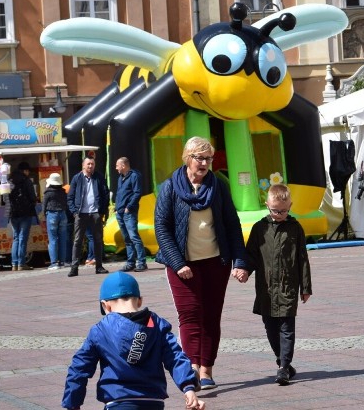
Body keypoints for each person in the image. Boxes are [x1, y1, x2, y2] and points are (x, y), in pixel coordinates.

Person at [153, 136, 250, 390]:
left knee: (210, 317)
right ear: (188, 158)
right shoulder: (170, 187)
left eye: (208, 158)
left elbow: (232, 225)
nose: (205, 163)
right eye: (200, 158)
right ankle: (192, 368)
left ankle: (206, 368)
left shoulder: (218, 186)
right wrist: (177, 262)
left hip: (215, 263)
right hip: (182, 266)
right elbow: (161, 228)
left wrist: (240, 261)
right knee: (189, 316)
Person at [62, 271, 205, 410]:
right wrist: (188, 387)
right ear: (140, 300)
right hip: (153, 401)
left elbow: (79, 368)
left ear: (106, 305)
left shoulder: (100, 330)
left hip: (117, 400)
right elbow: (175, 357)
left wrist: (72, 403)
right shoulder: (157, 325)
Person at [245, 184, 312, 386]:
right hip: (266, 289)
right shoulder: (259, 228)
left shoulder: (295, 228)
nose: (279, 214)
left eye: (283, 211)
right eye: (275, 210)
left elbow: (302, 258)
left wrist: (306, 287)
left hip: (287, 288)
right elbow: (251, 255)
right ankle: (283, 362)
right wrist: (244, 270)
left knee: (286, 328)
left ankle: (283, 367)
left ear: (290, 205)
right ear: (267, 205)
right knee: (270, 328)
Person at [67, 157, 110, 277]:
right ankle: (74, 268)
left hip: (95, 213)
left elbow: (105, 193)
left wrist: (102, 210)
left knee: (97, 240)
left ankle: (99, 266)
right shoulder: (77, 178)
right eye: (88, 164)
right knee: (77, 241)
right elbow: (70, 196)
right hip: (81, 214)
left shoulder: (99, 177)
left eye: (92, 164)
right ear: (83, 165)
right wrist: (74, 212)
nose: (90, 166)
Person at [115, 157, 148, 272]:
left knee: (134, 237)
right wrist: (116, 208)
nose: (116, 168)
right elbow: (120, 193)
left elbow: (137, 192)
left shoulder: (134, 176)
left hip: (129, 212)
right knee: (127, 239)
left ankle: (142, 262)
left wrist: (129, 207)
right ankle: (130, 262)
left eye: (117, 165)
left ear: (123, 165)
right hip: (119, 212)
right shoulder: (121, 178)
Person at [5, 162, 38, 271]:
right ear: (25, 171)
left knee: (16, 238)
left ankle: (14, 264)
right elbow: (33, 197)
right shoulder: (26, 181)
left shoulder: (9, 180)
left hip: (13, 213)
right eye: (28, 171)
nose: (28, 173)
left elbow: (5, 198)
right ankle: (21, 263)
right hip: (25, 212)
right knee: (22, 238)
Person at [43, 172, 69, 270]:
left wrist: (44, 214)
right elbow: (66, 204)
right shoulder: (63, 191)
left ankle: (54, 263)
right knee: (62, 238)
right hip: (62, 214)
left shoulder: (48, 192)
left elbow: (44, 205)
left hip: (52, 214)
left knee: (53, 239)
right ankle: (62, 261)